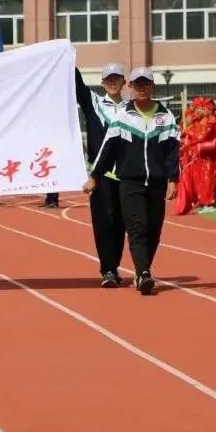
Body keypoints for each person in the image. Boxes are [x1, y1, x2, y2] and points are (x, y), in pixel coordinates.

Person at [82, 67, 179, 295]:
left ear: (152, 86)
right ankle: (143, 273)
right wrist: (95, 176)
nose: (142, 88)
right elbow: (108, 148)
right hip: (130, 181)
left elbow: (172, 151)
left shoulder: (165, 117)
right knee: (138, 227)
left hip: (156, 182)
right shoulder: (123, 116)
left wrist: (173, 178)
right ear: (131, 87)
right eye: (138, 84)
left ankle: (142, 269)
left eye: (146, 84)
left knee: (153, 229)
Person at [69, 63, 128, 287]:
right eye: (108, 79)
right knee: (104, 221)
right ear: (103, 83)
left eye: (117, 78)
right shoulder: (93, 102)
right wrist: (66, 55)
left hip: (124, 172)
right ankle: (109, 270)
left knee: (121, 222)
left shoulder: (131, 108)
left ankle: (115, 264)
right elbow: (77, 86)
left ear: (123, 82)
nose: (112, 82)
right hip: (100, 174)